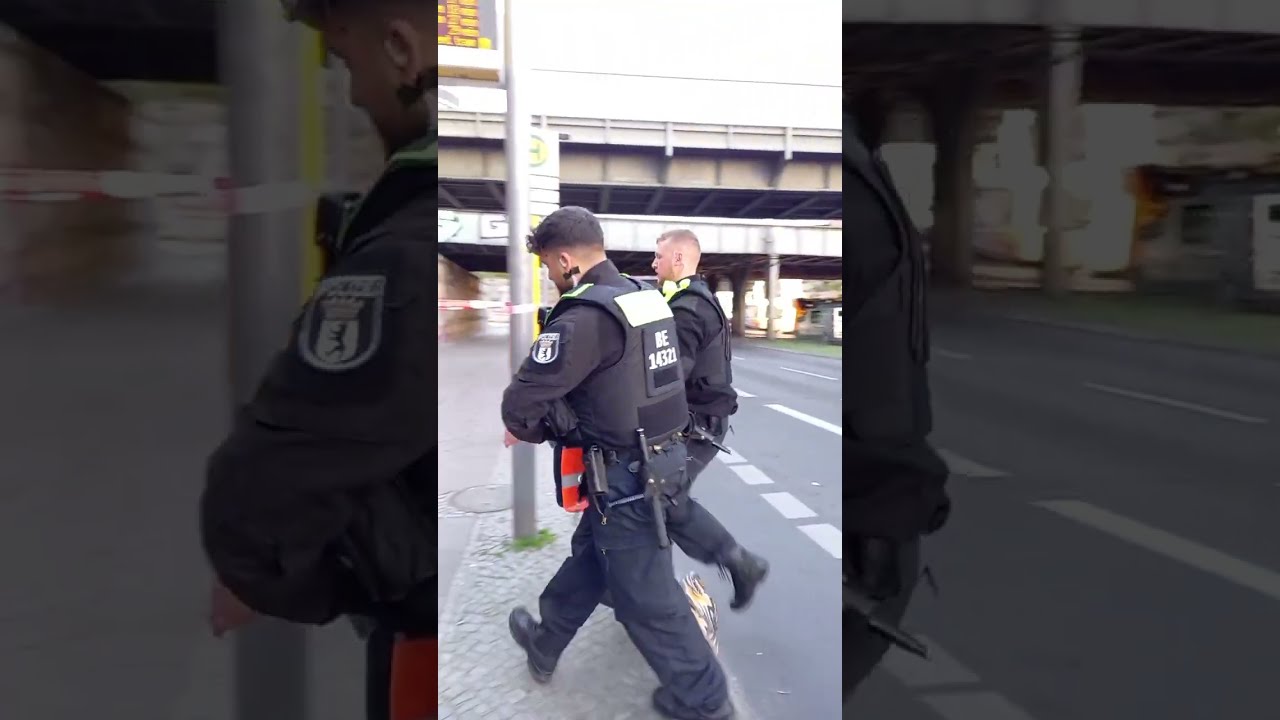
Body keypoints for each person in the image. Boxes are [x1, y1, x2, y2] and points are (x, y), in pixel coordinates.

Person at [200, 1, 436, 719]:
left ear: (401, 51)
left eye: (347, 63)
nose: (353, 92)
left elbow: (263, 496)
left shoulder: (408, 247)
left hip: (425, 642)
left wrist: (305, 579)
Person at [501, 206, 734, 720]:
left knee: (645, 599)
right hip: (662, 457)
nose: (549, 278)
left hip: (627, 477)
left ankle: (706, 702)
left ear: (565, 261)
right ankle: (545, 641)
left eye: (546, 268)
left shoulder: (584, 316)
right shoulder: (643, 298)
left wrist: (549, 426)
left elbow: (520, 406)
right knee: (591, 553)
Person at [843, 93, 952, 702]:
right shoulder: (858, 180)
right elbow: (882, 386)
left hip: (871, 532)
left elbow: (881, 383)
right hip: (872, 532)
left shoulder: (855, 181)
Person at [650, 229, 769, 610]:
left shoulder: (688, 308)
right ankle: (652, 588)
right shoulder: (687, 299)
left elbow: (669, 378)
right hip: (697, 420)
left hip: (698, 425)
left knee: (662, 498)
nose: (653, 264)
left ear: (679, 260)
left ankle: (740, 563)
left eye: (659, 257)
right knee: (653, 498)